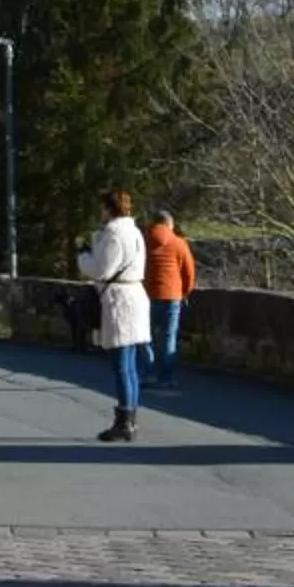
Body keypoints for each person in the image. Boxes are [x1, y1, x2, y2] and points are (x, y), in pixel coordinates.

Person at [74, 187, 151, 443]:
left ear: (108, 208)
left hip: (121, 300)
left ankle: (124, 422)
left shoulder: (115, 235)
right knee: (129, 365)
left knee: (121, 365)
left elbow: (101, 270)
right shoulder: (135, 232)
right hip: (135, 295)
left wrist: (83, 256)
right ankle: (130, 417)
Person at [143, 207, 196, 392]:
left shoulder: (143, 241)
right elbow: (189, 272)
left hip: (147, 295)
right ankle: (165, 377)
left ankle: (148, 374)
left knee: (145, 337)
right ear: (168, 224)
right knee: (168, 337)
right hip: (172, 295)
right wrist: (185, 293)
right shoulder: (178, 243)